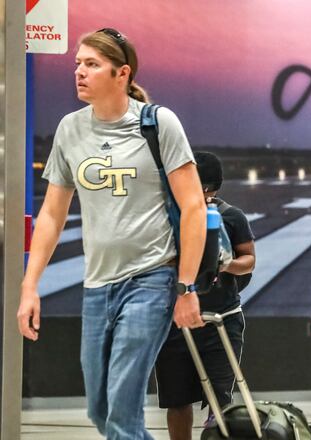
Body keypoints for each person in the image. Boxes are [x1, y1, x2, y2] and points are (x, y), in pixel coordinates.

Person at [16, 28, 206, 438]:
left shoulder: (158, 124)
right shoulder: (71, 129)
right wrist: (30, 286)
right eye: (77, 63)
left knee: (122, 414)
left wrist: (186, 286)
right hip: (97, 285)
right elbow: (51, 213)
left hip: (151, 279)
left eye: (92, 64)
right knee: (101, 413)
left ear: (122, 74)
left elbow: (193, 206)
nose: (79, 72)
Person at [155, 151, 256, 440]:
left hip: (221, 319)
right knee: (176, 401)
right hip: (175, 322)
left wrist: (226, 264)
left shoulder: (231, 216)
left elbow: (249, 259)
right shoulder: (167, 217)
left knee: (220, 399)